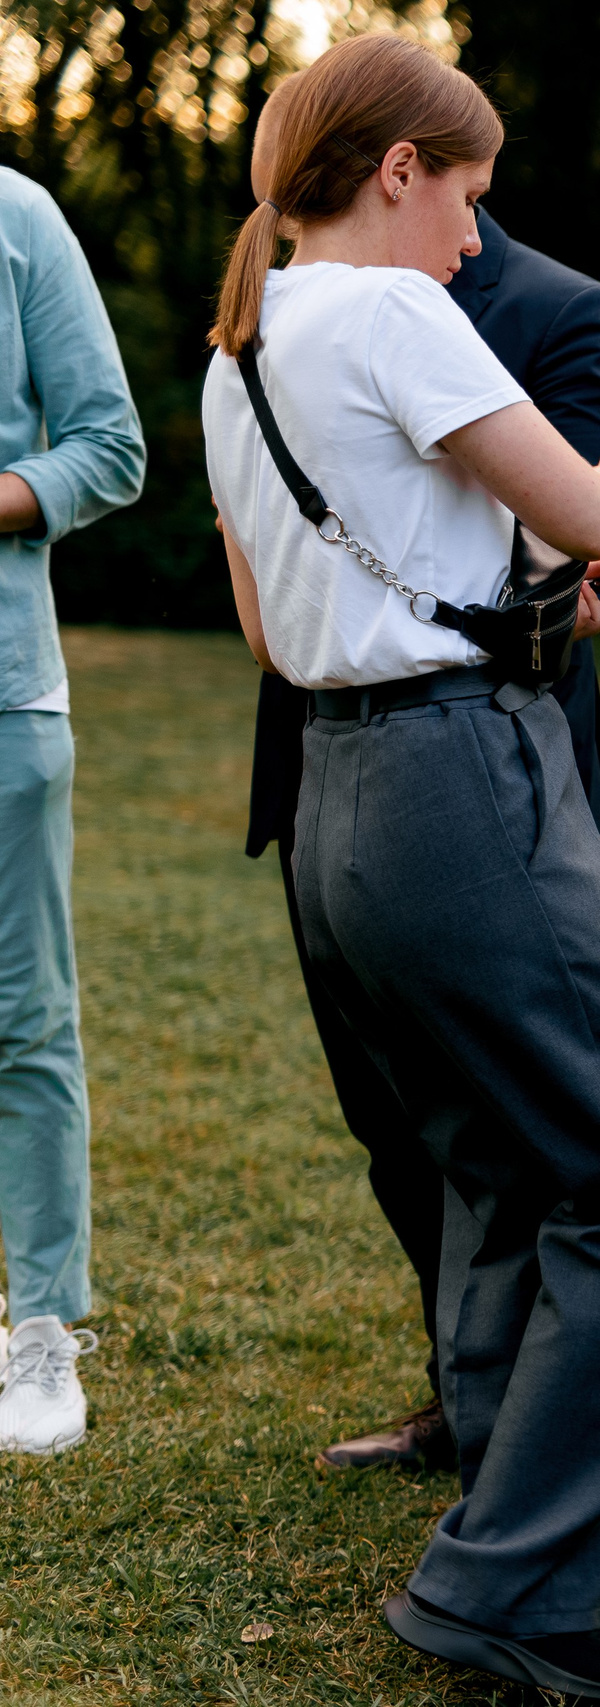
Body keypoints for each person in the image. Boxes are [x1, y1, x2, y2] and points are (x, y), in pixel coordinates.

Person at [199, 35, 600, 1701]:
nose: (470, 240)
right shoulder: (392, 308)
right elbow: (595, 515)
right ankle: (506, 1587)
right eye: (467, 198)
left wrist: (501, 580)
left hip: (343, 802)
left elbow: (271, 620)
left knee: (511, 1177)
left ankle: (557, 1552)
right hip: (462, 779)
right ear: (399, 171)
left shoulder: (244, 349)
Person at [243, 187, 600, 1476]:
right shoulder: (282, 320)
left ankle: (523, 1473)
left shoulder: (556, 310)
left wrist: (535, 597)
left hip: (483, 752)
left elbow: (584, 543)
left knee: (569, 1152)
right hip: (335, 758)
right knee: (429, 1135)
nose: (469, 231)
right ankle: (486, 1437)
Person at [0, 167, 145, 1458]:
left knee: (22, 1019)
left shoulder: (17, 219)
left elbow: (112, 446)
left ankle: (41, 1330)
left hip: (2, 698)